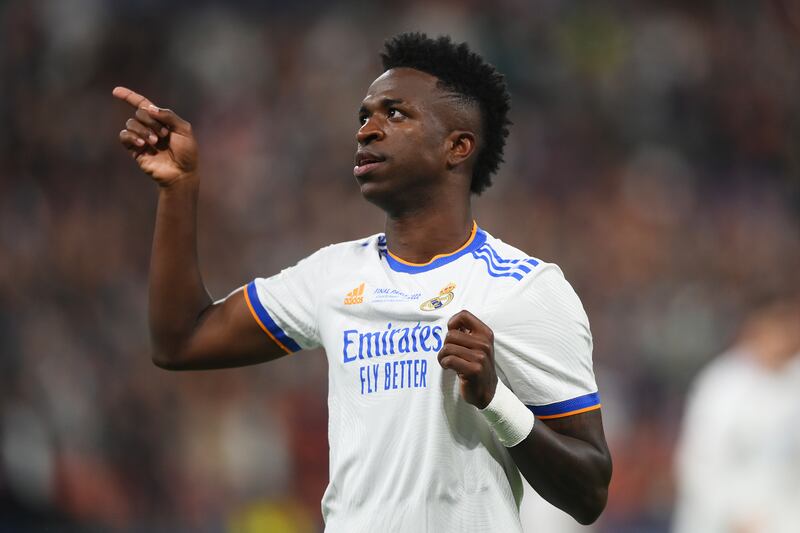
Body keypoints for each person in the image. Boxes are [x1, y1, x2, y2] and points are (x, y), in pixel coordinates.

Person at [114, 33, 611, 532]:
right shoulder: (332, 276)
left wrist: (495, 399)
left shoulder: (524, 288)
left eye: (394, 114)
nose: (367, 131)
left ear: (457, 147)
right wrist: (178, 189)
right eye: (364, 116)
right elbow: (181, 341)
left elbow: (589, 493)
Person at [673, 296, 800, 533]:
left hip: (784, 516)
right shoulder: (721, 386)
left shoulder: (794, 380)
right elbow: (700, 463)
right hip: (724, 521)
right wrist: (732, 515)